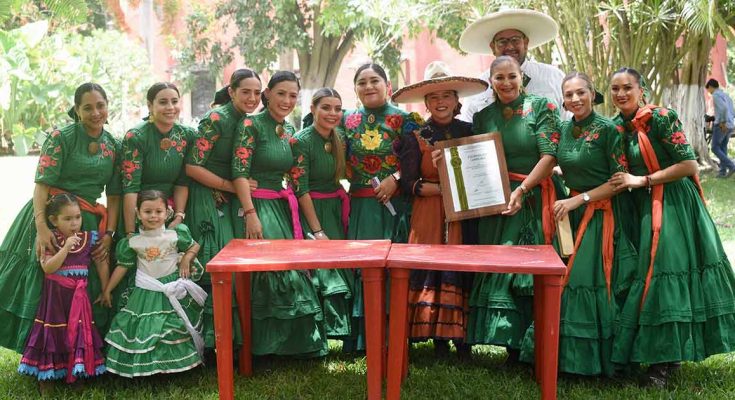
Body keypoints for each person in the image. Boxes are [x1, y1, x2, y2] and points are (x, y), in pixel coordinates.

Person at [608, 67, 735, 387]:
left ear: (641, 89)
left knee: (664, 277)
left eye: (627, 87)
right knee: (643, 276)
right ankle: (648, 352)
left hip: (673, 203)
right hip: (638, 206)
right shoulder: (615, 127)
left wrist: (643, 179)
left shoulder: (661, 118)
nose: (621, 94)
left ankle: (664, 364)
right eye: (614, 89)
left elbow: (689, 164)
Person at [518, 72, 638, 376]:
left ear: (592, 93)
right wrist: (528, 186)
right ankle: (566, 359)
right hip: (569, 215)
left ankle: (602, 360)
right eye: (569, 94)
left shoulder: (608, 129)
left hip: (603, 215)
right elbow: (553, 159)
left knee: (586, 282)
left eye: (581, 93)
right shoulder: (562, 128)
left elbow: (619, 182)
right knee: (565, 282)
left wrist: (578, 199)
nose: (575, 99)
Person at [0, 83, 121, 352]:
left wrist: (110, 235)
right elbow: (42, 186)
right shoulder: (60, 138)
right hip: (52, 216)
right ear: (77, 111)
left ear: (108, 106)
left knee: (83, 284)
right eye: (87, 107)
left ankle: (84, 351)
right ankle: (42, 352)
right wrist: (42, 227)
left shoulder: (113, 145)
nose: (95, 113)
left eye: (100, 106)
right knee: (47, 283)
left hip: (86, 220)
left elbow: (114, 196)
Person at [464, 56, 561, 364]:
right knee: (503, 271)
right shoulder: (483, 116)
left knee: (529, 274)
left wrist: (522, 190)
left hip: (532, 199)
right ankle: (513, 345)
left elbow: (549, 157)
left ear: (522, 78)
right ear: (491, 81)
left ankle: (538, 344)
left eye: (511, 76)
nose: (506, 83)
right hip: (496, 201)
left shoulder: (542, 108)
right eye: (499, 78)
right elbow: (474, 158)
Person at [391, 61, 488, 359]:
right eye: (434, 97)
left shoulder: (471, 132)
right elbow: (408, 183)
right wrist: (446, 187)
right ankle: (436, 337)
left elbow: (481, 173)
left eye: (446, 95)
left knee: (462, 264)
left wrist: (461, 185)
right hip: (429, 211)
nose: (440, 102)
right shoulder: (415, 136)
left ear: (457, 100)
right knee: (430, 265)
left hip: (464, 212)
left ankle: (462, 338)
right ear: (426, 103)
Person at [232, 71, 328, 358]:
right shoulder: (251, 125)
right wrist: (250, 212)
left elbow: (297, 183)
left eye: (293, 95)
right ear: (268, 94)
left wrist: (317, 230)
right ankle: (261, 348)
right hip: (256, 207)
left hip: (282, 208)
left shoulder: (287, 132)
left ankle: (291, 347)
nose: (287, 100)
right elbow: (239, 172)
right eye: (281, 93)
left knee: (291, 272)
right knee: (270, 274)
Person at [341, 63, 424, 351]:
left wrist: (397, 178)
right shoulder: (346, 119)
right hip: (362, 204)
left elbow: (417, 161)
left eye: (374, 80)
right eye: (361, 82)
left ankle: (395, 335)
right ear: (355, 89)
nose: (368, 86)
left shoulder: (405, 120)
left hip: (395, 204)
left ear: (387, 85)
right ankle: (363, 338)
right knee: (363, 266)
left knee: (394, 268)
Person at [186, 68, 262, 349]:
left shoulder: (250, 122)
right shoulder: (216, 119)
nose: (252, 98)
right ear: (231, 92)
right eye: (246, 92)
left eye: (256, 93)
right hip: (207, 196)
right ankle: (208, 342)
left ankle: (235, 340)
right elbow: (192, 166)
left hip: (231, 197)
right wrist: (230, 186)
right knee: (214, 262)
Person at [103, 190, 206, 377]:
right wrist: (108, 290)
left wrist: (186, 259)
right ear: (138, 213)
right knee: (143, 327)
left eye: (158, 211)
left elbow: (194, 246)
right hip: (145, 292)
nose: (153, 216)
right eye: (147, 212)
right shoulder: (133, 242)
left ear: (167, 212)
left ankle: (174, 367)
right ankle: (148, 368)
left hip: (171, 288)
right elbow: (122, 266)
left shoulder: (176, 235)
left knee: (170, 326)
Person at [18, 194, 106, 386]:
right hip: (55, 301)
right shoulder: (50, 240)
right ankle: (46, 379)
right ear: (53, 220)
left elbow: (101, 261)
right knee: (53, 334)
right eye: (68, 219)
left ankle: (78, 373)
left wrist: (106, 289)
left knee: (79, 333)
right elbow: (48, 268)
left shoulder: (88, 239)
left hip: (79, 299)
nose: (74, 223)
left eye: (77, 217)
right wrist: (65, 248)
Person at [291, 88, 354, 340]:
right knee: (320, 272)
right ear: (312, 109)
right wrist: (317, 230)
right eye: (326, 107)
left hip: (335, 208)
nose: (333, 113)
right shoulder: (301, 141)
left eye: (337, 108)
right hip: (312, 211)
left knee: (340, 269)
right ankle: (317, 338)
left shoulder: (340, 137)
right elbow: (300, 189)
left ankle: (344, 334)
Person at [457, 8, 566, 123]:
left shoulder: (554, 77)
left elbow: (570, 121)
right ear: (492, 47)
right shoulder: (478, 88)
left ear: (526, 43)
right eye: (502, 42)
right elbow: (468, 131)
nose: (509, 47)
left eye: (515, 40)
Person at [705, 78, 735, 178]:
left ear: (710, 87)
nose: (709, 92)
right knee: (723, 147)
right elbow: (732, 111)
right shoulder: (726, 95)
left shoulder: (716, 95)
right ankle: (722, 172)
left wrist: (722, 122)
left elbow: (723, 108)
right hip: (730, 125)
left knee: (714, 147)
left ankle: (731, 166)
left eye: (708, 90)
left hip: (722, 125)